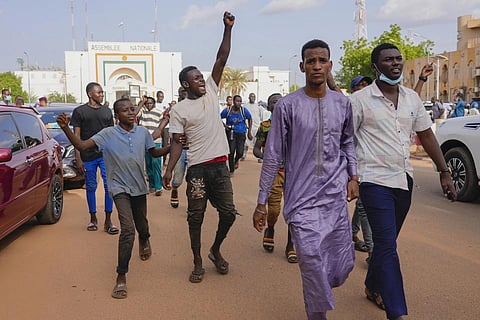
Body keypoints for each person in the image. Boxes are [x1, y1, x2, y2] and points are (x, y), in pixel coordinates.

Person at [252, 39, 358, 320]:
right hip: (300, 199)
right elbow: (273, 155)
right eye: (311, 61)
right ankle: (317, 313)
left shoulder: (342, 104)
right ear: (302, 67)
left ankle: (321, 287)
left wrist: (353, 175)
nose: (316, 66)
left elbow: (348, 143)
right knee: (310, 259)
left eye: (322, 60)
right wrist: (262, 201)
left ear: (330, 65)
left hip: (334, 196)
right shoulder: (287, 106)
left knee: (342, 263)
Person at [350, 43, 457, 320]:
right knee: (387, 245)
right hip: (373, 181)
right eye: (388, 60)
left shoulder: (412, 99)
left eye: (399, 59)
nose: (396, 63)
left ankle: (373, 285)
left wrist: (444, 171)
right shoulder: (359, 101)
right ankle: (397, 312)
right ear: (375, 67)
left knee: (387, 242)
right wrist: (350, 176)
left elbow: (427, 136)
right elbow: (345, 141)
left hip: (403, 181)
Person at [57, 97, 170, 299]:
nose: (131, 112)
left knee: (141, 225)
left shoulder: (143, 133)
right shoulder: (107, 134)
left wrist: (171, 147)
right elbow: (83, 146)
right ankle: (121, 276)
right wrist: (66, 129)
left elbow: (154, 152)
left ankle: (145, 239)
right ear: (116, 116)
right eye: (125, 110)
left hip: (139, 187)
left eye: (132, 109)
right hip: (118, 187)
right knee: (128, 229)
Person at [163, 11, 237, 284]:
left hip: (220, 167)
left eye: (201, 77)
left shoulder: (212, 91)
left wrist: (227, 29)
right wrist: (170, 171)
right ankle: (197, 261)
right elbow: (176, 143)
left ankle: (215, 249)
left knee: (228, 214)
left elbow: (221, 58)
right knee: (196, 217)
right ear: (186, 84)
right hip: (197, 170)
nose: (201, 81)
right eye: (196, 78)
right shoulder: (179, 110)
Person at [253, 92, 297, 263]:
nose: (277, 104)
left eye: (280, 101)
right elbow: (257, 148)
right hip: (275, 173)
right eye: (273, 102)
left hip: (294, 173)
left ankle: (290, 245)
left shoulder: (295, 125)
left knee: (294, 210)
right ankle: (270, 228)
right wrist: (267, 158)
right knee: (274, 210)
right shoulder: (265, 126)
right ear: (269, 107)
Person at [70, 82, 118, 234]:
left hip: (105, 155)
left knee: (109, 187)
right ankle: (93, 218)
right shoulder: (79, 111)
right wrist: (78, 158)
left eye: (102, 93)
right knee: (90, 187)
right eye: (99, 93)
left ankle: (108, 220)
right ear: (90, 94)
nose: (101, 95)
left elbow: (111, 134)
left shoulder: (107, 112)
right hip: (88, 156)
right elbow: (76, 137)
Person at [348, 75, 374, 261]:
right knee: (364, 206)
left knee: (362, 204)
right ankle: (372, 250)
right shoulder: (349, 105)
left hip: (373, 163)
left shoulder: (375, 106)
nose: (364, 88)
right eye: (360, 85)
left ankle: (351, 232)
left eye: (367, 84)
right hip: (354, 163)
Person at [136, 96, 164, 196]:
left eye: (150, 103)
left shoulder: (159, 112)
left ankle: (158, 187)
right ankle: (151, 185)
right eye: (147, 103)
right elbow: (134, 113)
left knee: (156, 163)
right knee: (148, 164)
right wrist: (141, 103)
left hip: (156, 141)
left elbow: (161, 127)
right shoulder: (142, 111)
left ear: (154, 103)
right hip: (144, 142)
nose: (148, 105)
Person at [220, 95, 253, 175]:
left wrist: (249, 131)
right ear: (233, 102)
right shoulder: (228, 110)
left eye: (240, 101)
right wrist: (225, 126)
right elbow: (218, 117)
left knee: (240, 152)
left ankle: (236, 160)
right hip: (231, 133)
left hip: (241, 133)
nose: (239, 103)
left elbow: (250, 118)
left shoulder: (243, 111)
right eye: (237, 101)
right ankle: (231, 170)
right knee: (231, 152)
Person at [169, 86, 188, 209]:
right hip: (179, 149)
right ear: (179, 94)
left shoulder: (197, 108)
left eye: (187, 92)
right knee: (178, 179)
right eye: (182, 93)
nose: (185, 94)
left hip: (195, 150)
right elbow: (172, 132)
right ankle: (175, 189)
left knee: (194, 179)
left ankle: (193, 204)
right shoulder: (174, 110)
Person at [243, 92, 269, 162]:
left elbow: (261, 116)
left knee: (258, 142)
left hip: (256, 127)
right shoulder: (245, 106)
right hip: (248, 127)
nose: (252, 98)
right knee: (246, 142)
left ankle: (259, 157)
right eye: (251, 96)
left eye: (253, 97)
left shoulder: (258, 107)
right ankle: (244, 154)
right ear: (249, 97)